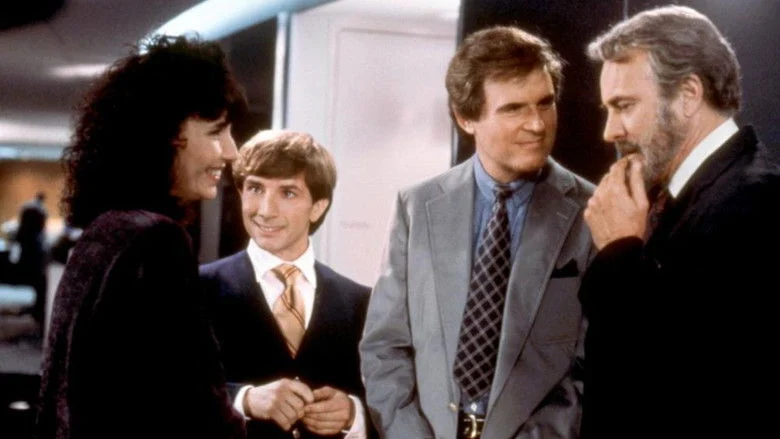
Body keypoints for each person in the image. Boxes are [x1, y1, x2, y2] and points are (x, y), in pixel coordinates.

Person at [360, 26, 595, 439]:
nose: (537, 124)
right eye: (514, 109)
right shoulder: (416, 207)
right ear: (465, 117)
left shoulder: (593, 212)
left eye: (545, 103)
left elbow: (590, 368)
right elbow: (385, 347)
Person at [579, 5, 780, 438]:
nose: (609, 131)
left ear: (688, 94)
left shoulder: (757, 202)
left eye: (624, 106)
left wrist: (619, 253)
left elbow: (683, 386)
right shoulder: (681, 197)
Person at [36, 35, 247, 439]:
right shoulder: (158, 241)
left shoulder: (106, 230)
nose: (231, 151)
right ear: (166, 135)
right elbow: (192, 410)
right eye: (216, 132)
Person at [200, 129, 376, 439]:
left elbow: (399, 402)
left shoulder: (361, 302)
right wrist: (244, 400)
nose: (265, 210)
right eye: (255, 188)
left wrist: (354, 414)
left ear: (318, 207)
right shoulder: (196, 288)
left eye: (288, 193)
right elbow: (160, 390)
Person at [12, 191, 49, 326]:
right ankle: (37, 311)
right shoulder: (41, 212)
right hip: (32, 265)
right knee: (41, 282)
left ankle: (35, 310)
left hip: (25, 262)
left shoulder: (22, 231)